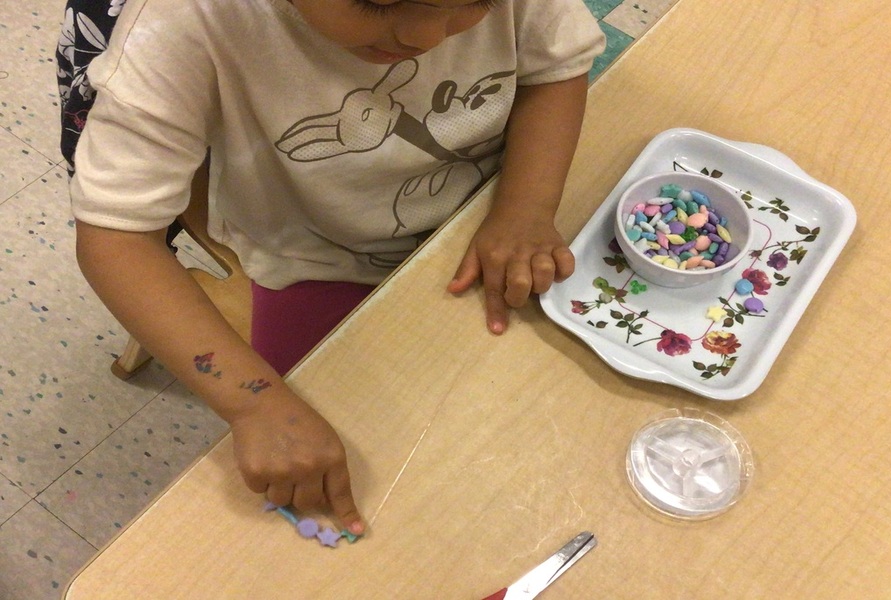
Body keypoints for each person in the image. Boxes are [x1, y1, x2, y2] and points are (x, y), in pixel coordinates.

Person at [61, 0, 604, 537]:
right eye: (380, 2)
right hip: (319, 262)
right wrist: (254, 408)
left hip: (486, 216)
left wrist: (525, 208)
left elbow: (554, 68)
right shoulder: (188, 24)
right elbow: (116, 237)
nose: (427, 36)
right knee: (394, 491)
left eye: (476, 4)